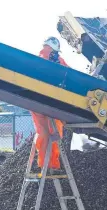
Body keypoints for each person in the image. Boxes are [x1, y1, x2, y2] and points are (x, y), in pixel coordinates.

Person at [30, 37, 67, 170]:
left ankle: (43, 165)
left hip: (35, 102)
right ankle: (53, 166)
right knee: (55, 134)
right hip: (52, 103)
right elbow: (69, 75)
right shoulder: (55, 59)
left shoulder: (39, 58)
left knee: (42, 133)